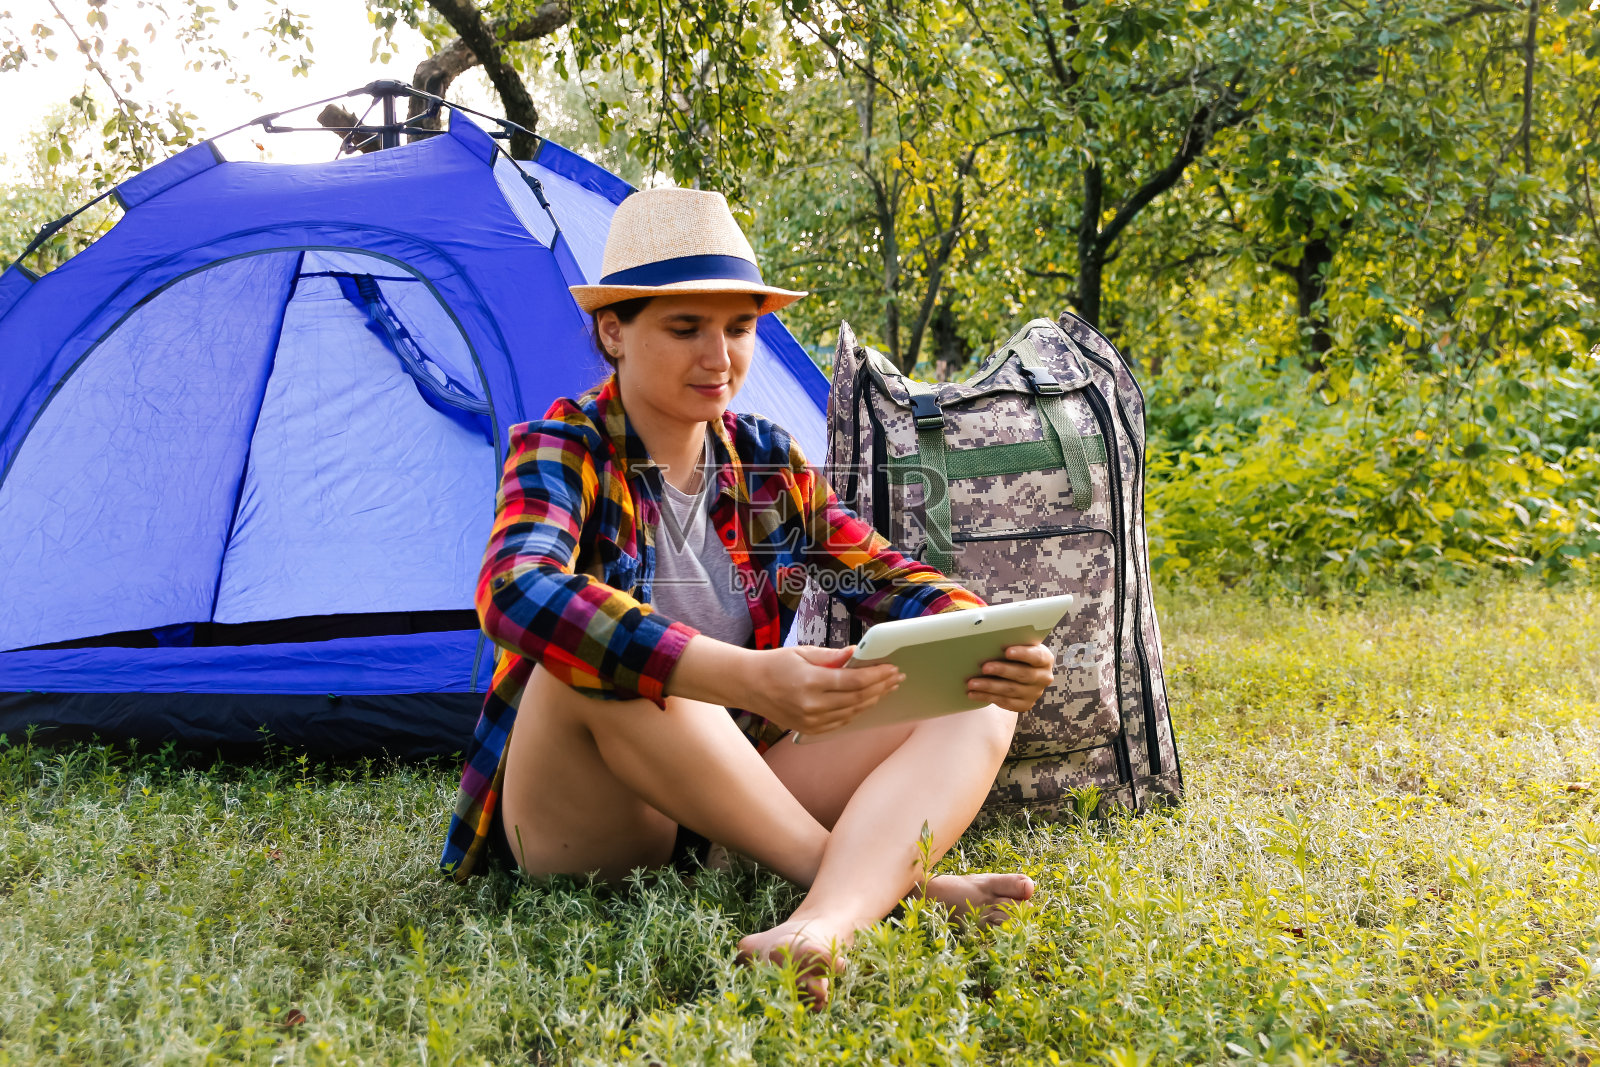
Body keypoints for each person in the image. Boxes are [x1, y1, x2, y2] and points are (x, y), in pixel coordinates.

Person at [441, 187, 1055, 1007]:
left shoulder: (764, 458)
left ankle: (826, 922)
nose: (720, 357)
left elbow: (878, 572)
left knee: (977, 698)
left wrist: (986, 638)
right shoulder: (561, 446)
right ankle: (898, 887)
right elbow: (516, 592)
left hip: (736, 798)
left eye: (739, 327)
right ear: (613, 330)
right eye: (686, 327)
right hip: (594, 818)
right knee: (602, 657)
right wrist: (748, 675)